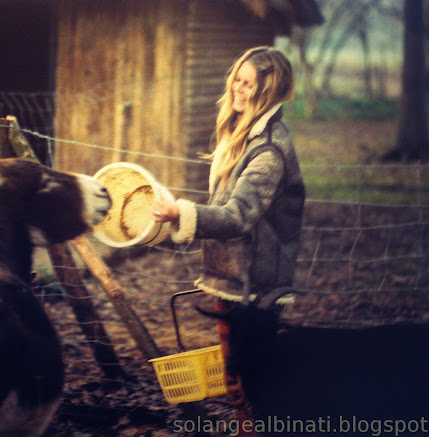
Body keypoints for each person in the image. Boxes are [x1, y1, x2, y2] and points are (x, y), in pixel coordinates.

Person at [152, 46, 305, 436]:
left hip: (255, 287)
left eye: (248, 83)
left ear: (268, 91)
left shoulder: (269, 150)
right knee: (234, 374)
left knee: (253, 379)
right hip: (231, 275)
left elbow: (238, 216)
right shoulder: (240, 135)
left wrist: (181, 213)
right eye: (236, 79)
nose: (238, 88)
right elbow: (223, 206)